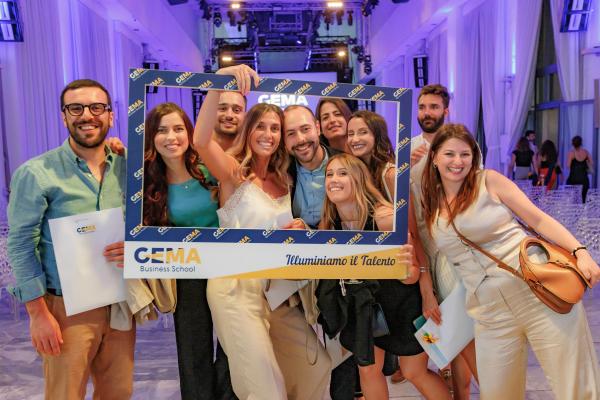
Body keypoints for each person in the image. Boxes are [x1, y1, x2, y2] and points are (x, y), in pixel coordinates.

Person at [420, 123, 600, 399]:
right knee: (497, 393)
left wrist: (580, 251)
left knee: (575, 387)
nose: (458, 162)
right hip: (488, 310)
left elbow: (538, 219)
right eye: (449, 154)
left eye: (465, 154)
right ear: (434, 157)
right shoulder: (432, 200)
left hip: (535, 289)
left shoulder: (488, 181)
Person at [193, 64, 330, 400]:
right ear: (248, 131)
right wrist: (218, 80)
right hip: (235, 288)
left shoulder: (284, 179)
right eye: (260, 127)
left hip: (278, 291)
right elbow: (200, 141)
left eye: (275, 128)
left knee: (315, 369)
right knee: (263, 388)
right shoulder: (233, 173)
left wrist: (299, 228)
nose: (268, 134)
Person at [7, 79, 135, 399]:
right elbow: (21, 244)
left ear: (110, 116)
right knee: (65, 394)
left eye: (96, 107)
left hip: (120, 301)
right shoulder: (37, 173)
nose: (87, 115)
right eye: (76, 108)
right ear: (64, 117)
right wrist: (38, 314)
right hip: (66, 307)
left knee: (119, 392)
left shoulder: (127, 168)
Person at [317, 153, 452, 400]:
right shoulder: (329, 224)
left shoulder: (385, 218)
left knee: (414, 372)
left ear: (359, 179)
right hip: (363, 308)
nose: (334, 179)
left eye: (343, 173)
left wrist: (408, 271)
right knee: (367, 370)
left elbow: (411, 276)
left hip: (400, 306)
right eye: (329, 174)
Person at [142, 102, 235, 400]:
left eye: (178, 128)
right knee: (193, 349)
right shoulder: (147, 182)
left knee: (233, 344)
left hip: (227, 267)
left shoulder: (208, 170)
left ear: (189, 133)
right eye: (162, 130)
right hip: (186, 273)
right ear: (151, 137)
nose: (171, 137)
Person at [410, 83, 477, 399]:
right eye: (423, 107)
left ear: (445, 110)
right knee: (438, 330)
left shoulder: (461, 148)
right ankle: (448, 382)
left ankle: (464, 391)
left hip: (454, 250)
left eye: (434, 107)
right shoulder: (408, 149)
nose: (427, 113)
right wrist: (404, 165)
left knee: (462, 332)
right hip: (422, 249)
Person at [347, 110, 396, 202]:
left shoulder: (391, 174)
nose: (355, 139)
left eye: (363, 132)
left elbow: (407, 211)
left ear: (378, 135)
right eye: (350, 134)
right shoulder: (355, 172)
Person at [566, 135, 593, 203]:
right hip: (584, 180)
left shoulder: (571, 153)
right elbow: (591, 163)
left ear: (573, 144)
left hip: (573, 180)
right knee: (584, 200)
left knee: (574, 201)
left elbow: (568, 166)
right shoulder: (586, 152)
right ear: (581, 143)